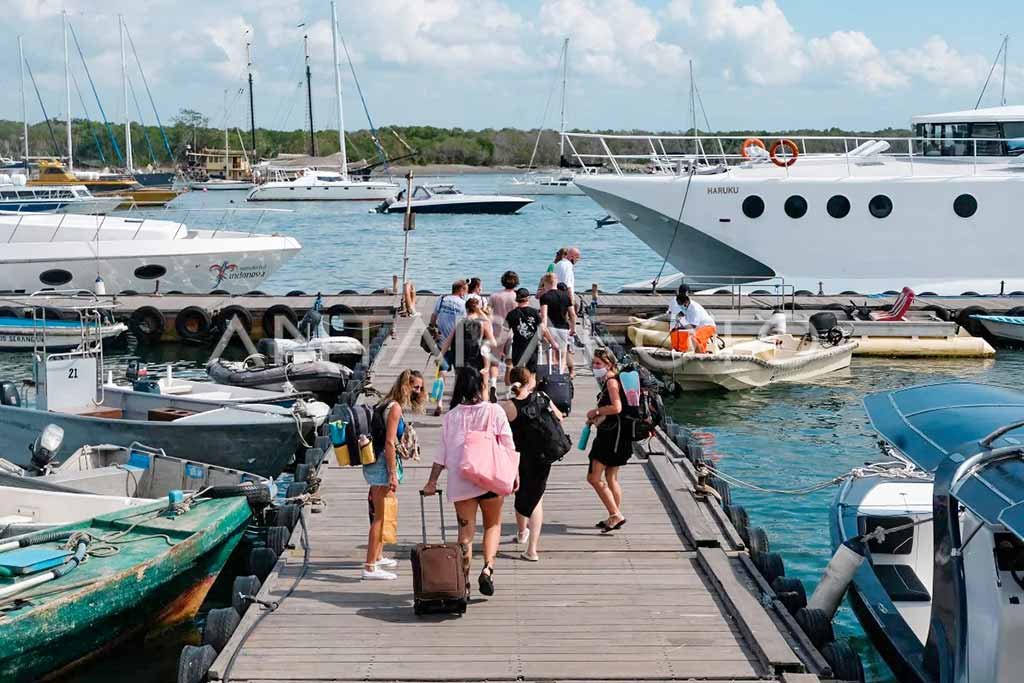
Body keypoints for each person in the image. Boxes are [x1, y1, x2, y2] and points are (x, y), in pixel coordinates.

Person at [422, 367, 515, 597]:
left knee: (465, 534)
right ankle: (487, 569)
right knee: (493, 525)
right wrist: (513, 475)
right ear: (480, 386)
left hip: (462, 480)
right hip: (491, 479)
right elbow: (508, 445)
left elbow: (441, 454)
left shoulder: (451, 416)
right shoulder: (495, 411)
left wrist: (432, 482)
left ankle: (462, 582)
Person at [362, 369, 427, 580]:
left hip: (376, 462)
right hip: (382, 464)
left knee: (382, 512)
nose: (418, 391)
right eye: (415, 387)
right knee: (380, 517)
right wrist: (392, 474)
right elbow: (390, 443)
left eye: (420, 388)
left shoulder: (386, 402)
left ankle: (378, 556)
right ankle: (370, 567)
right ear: (405, 385)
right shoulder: (395, 408)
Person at [501, 366, 561, 561]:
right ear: (529, 382)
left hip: (519, 457)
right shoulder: (543, 397)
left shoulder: (507, 406)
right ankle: (531, 548)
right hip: (544, 456)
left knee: (521, 494)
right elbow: (560, 417)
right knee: (537, 498)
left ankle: (522, 534)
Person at [585, 349, 629, 533]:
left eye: (598, 364)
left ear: (609, 364)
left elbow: (616, 407)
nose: (595, 367)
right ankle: (614, 516)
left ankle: (615, 514)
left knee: (594, 478)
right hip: (619, 435)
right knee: (611, 477)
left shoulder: (611, 382)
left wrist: (595, 412)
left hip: (611, 437)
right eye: (594, 363)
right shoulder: (614, 379)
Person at [440, 297, 498, 393]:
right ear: (478, 309)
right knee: (479, 383)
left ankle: (460, 400)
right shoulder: (483, 323)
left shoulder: (460, 322)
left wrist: (440, 356)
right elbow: (494, 343)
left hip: (459, 356)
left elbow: (448, 341)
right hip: (475, 356)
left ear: (466, 309)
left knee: (459, 380)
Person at [489, 271, 520, 396]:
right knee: (510, 363)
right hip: (512, 332)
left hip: (496, 331)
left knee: (494, 362)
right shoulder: (516, 297)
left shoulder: (494, 296)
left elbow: (487, 314)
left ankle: (493, 385)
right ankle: (508, 390)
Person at [538, 272, 574, 376]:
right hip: (563, 328)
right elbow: (572, 315)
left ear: (545, 283)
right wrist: (573, 328)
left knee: (549, 354)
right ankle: (560, 375)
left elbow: (544, 316)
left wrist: (543, 331)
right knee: (562, 355)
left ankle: (551, 374)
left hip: (549, 328)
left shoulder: (544, 297)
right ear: (556, 281)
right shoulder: (566, 296)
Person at [505, 287, 542, 380]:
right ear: (528, 298)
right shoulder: (534, 312)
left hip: (518, 345)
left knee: (518, 372)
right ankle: (528, 391)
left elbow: (504, 331)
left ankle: (518, 388)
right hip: (532, 346)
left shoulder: (511, 314)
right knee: (532, 372)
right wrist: (551, 341)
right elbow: (542, 329)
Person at [668, 285, 716, 353]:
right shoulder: (685, 308)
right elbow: (678, 316)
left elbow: (693, 326)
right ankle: (680, 350)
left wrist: (679, 327)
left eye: (681, 305)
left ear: (685, 303)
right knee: (679, 333)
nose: (680, 307)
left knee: (695, 338)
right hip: (697, 327)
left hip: (708, 326)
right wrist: (675, 324)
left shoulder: (694, 308)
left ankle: (702, 354)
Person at [430, 280, 468, 347]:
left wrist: (432, 329)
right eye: (466, 291)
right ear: (461, 290)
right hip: (455, 342)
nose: (466, 293)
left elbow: (434, 316)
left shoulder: (442, 299)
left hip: (441, 340)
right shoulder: (464, 304)